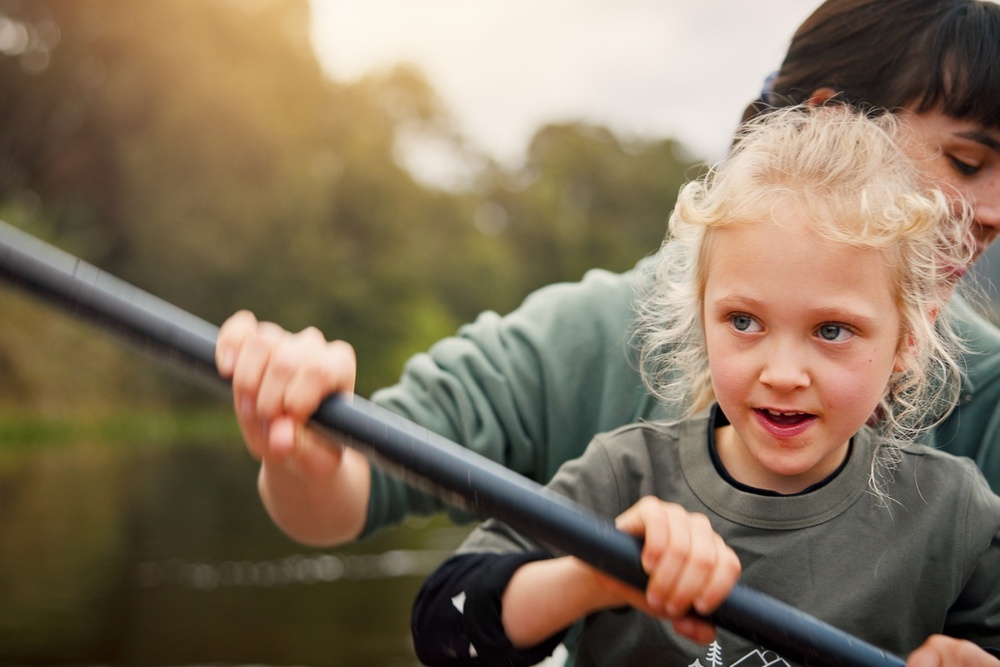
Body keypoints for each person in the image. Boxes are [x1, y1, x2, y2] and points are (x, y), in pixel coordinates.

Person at [215, 0, 1000, 548]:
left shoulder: (988, 390)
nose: (994, 211)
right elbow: (345, 497)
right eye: (968, 161)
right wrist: (304, 447)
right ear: (831, 127)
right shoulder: (586, 335)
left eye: (836, 334)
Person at [410, 105, 1000, 667]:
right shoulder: (623, 477)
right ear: (701, 316)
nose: (783, 373)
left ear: (907, 343)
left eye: (832, 330)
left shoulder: (956, 515)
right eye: (744, 322)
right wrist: (594, 576)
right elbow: (445, 629)